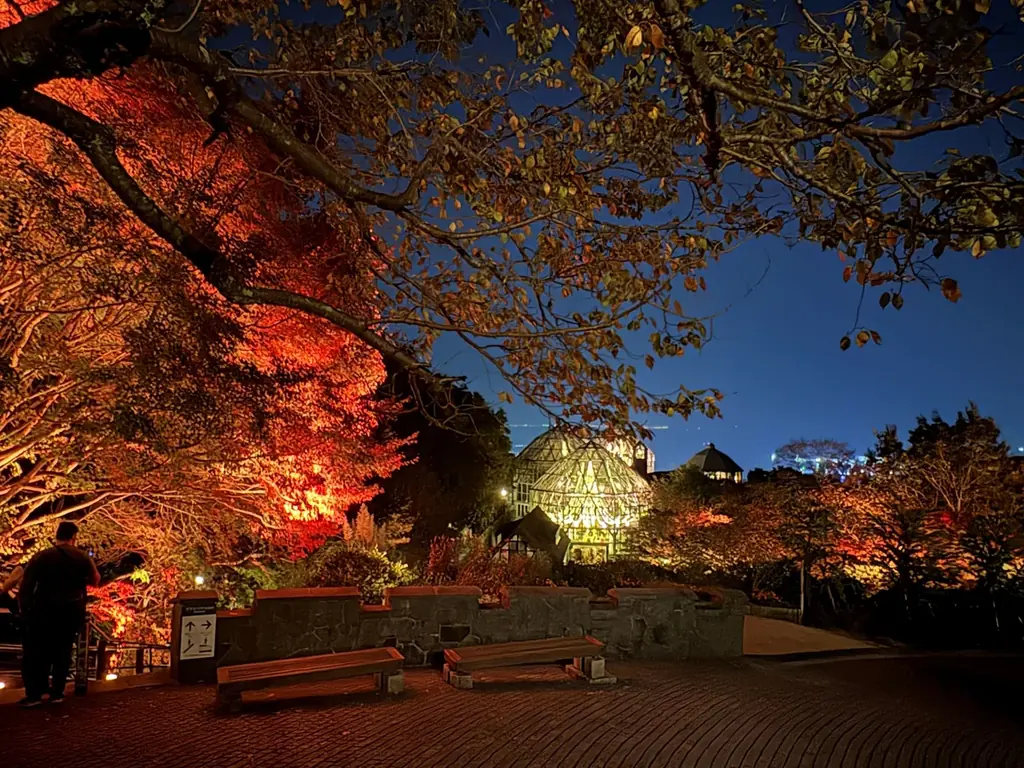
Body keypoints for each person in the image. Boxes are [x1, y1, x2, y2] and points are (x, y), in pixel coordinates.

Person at [17, 522, 100, 708]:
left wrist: (25, 609)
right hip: (71, 610)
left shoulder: (42, 556)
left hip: (43, 610)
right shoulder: (82, 557)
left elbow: (26, 584)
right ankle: (57, 692)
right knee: (63, 651)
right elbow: (95, 580)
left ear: (57, 535)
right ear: (74, 537)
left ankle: (35, 694)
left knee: (37, 651)